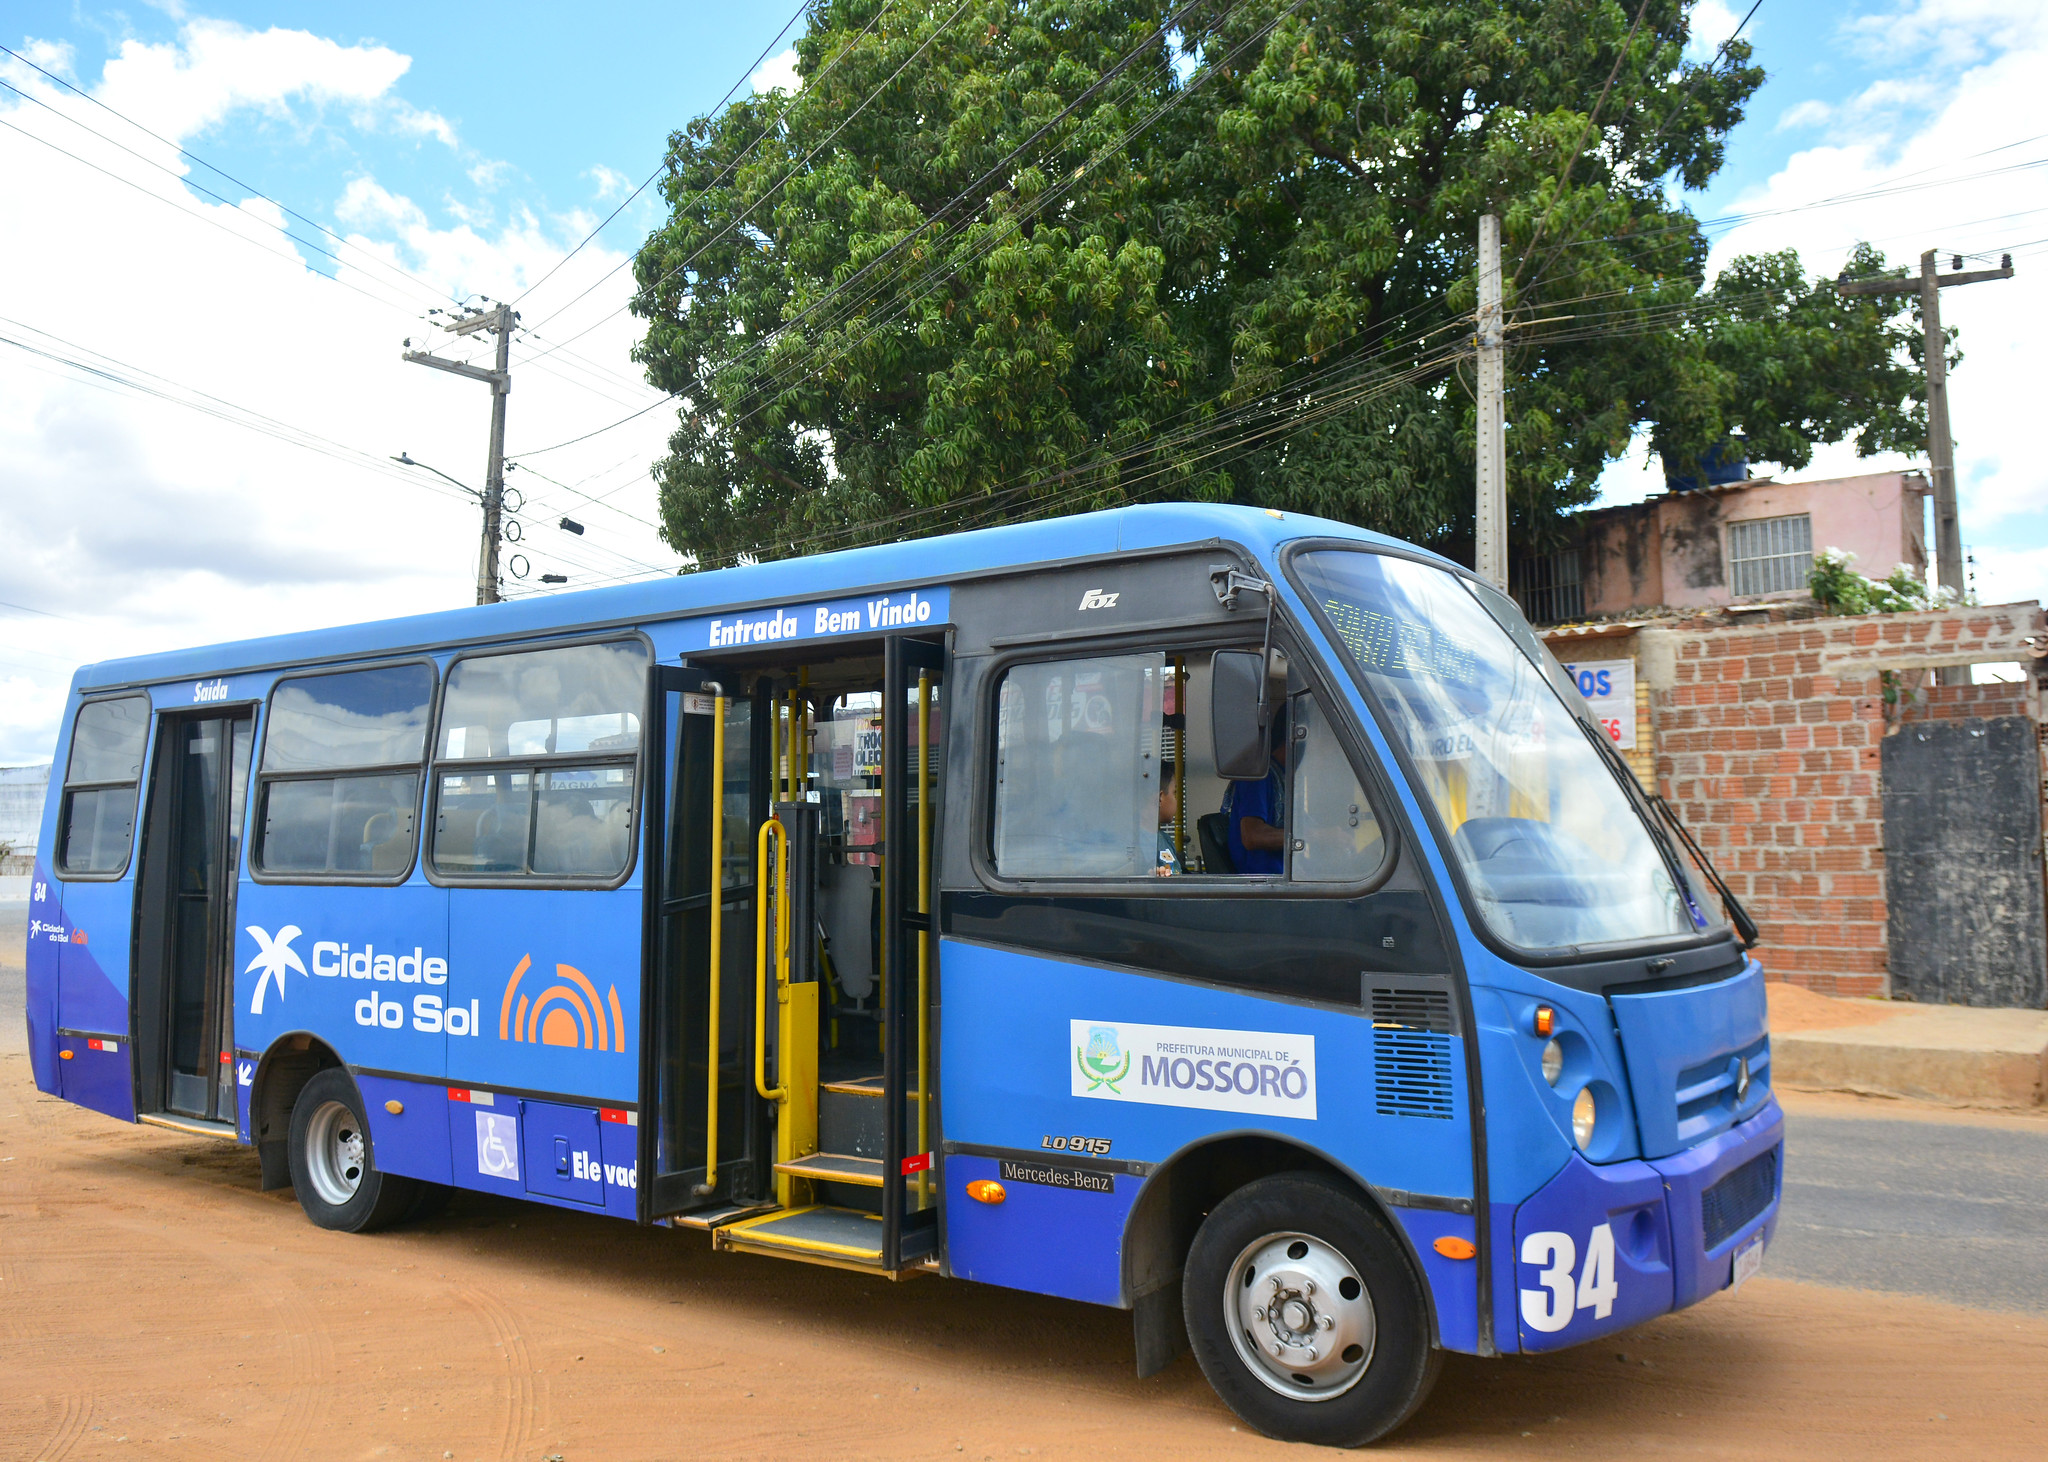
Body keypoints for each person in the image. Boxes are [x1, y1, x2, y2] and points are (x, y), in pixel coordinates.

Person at [1222, 713, 1287, 875]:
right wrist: (1310, 837)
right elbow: (1252, 836)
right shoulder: (1257, 776)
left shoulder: (1289, 777)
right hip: (1264, 881)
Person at [1155, 765, 1181, 876]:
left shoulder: (1165, 839)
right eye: (1174, 793)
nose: (1176, 801)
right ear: (1160, 798)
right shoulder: (1135, 845)